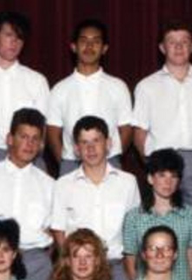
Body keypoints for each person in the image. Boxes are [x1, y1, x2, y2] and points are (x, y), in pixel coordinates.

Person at [131, 21, 192, 209]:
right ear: (162, 48)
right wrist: (153, 165)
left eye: (184, 41)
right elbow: (139, 132)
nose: (179, 47)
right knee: (163, 223)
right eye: (172, 42)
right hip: (162, 163)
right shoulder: (147, 86)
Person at [50, 116, 141, 280]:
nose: (90, 148)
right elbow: (58, 230)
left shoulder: (128, 182)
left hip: (116, 268)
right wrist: (72, 265)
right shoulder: (63, 184)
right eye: (84, 143)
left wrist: (132, 274)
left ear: (108, 143)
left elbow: (133, 231)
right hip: (78, 272)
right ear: (76, 149)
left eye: (96, 141)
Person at [47, 19, 132, 174]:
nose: (89, 46)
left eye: (96, 41)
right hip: (71, 163)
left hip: (110, 163)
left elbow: (126, 129)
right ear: (73, 46)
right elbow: (53, 132)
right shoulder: (59, 89)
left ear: (104, 48)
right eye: (84, 41)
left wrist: (111, 156)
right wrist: (66, 160)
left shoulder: (118, 86)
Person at [0, 108, 56, 280]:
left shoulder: (49, 184)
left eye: (35, 138)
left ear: (41, 144)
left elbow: (53, 232)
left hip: (35, 264)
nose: (29, 144)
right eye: (23, 137)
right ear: (10, 139)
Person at [0, 11, 50, 167]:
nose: (14, 42)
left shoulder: (37, 81)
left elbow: (43, 130)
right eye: (8, 35)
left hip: (31, 157)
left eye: (19, 37)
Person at [121, 149, 192, 280]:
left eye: (173, 176)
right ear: (150, 178)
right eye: (162, 175)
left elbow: (191, 264)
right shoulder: (134, 217)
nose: (168, 182)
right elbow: (130, 263)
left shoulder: (191, 215)